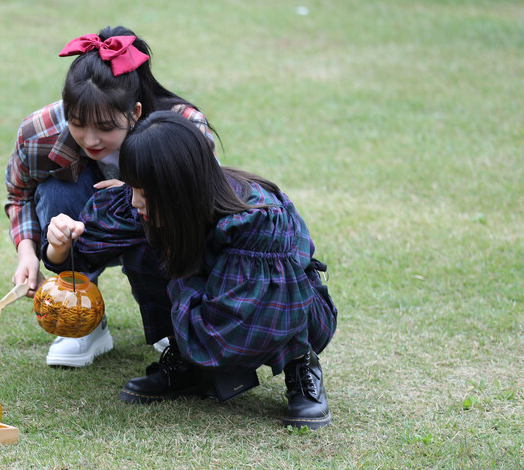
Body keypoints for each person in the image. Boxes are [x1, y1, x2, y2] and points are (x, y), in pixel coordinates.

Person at [42, 112, 337, 429]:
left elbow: (231, 329)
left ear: (177, 187)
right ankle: (188, 363)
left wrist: (180, 276)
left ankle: (300, 364)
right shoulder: (152, 200)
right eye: (131, 187)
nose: (135, 201)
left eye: (143, 192)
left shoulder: (254, 219)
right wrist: (61, 241)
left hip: (273, 307)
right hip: (210, 300)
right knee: (146, 244)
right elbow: (84, 250)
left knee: (167, 253)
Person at [5, 27, 215, 368]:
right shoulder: (39, 132)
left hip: (155, 230)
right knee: (56, 189)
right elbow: (19, 194)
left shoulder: (183, 129)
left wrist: (136, 191)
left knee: (166, 205)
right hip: (79, 230)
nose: (91, 139)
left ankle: (171, 313)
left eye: (105, 127)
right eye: (77, 123)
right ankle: (82, 317)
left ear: (134, 112)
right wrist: (26, 253)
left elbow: (205, 203)